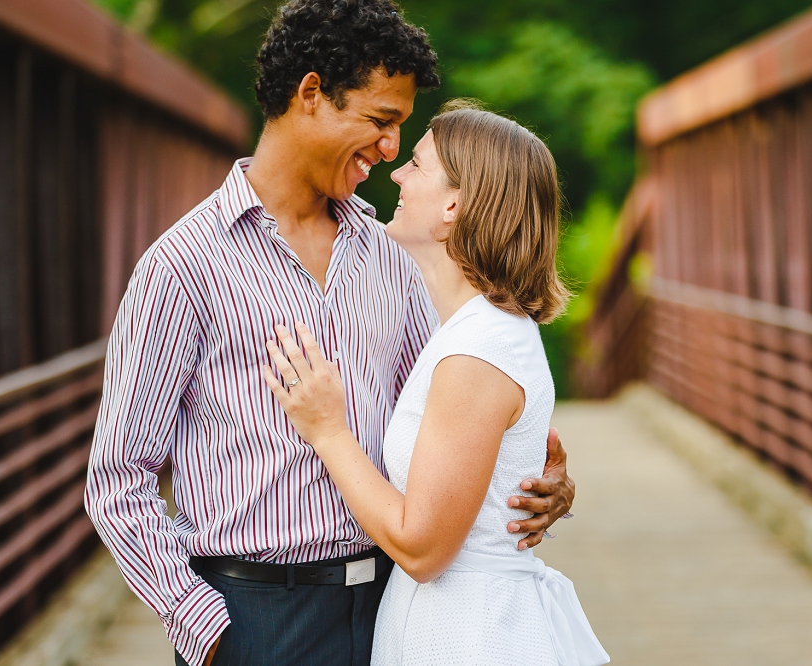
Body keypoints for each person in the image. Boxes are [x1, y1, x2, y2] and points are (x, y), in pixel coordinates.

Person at [84, 3, 575, 666]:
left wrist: (522, 486)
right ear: (310, 94)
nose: (391, 149)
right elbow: (118, 477)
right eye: (380, 121)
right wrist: (206, 628)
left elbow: (442, 427)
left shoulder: (396, 260)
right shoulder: (182, 267)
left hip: (393, 612)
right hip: (255, 620)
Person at [264, 103, 609, 665]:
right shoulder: (474, 329)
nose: (395, 172)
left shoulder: (479, 348)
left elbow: (423, 550)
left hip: (469, 636)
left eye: (417, 165)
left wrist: (327, 431)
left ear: (455, 204)